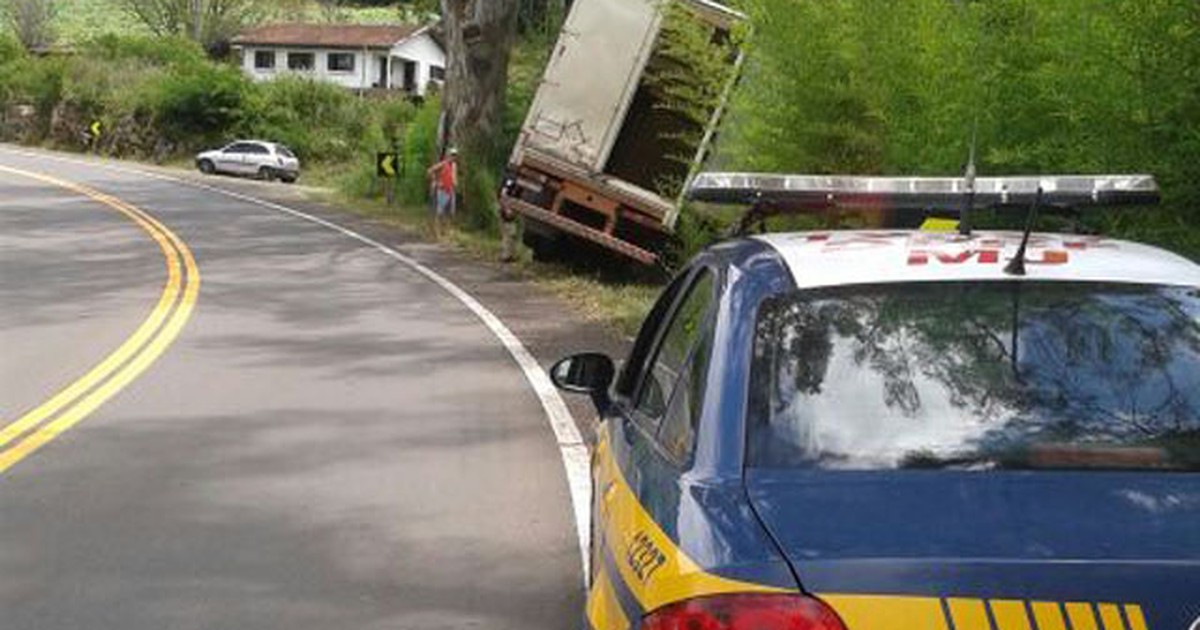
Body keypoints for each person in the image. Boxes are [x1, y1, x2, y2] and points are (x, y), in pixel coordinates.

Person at [426, 148, 458, 236]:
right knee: (440, 212)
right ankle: (437, 231)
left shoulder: (454, 165)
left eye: (454, 155)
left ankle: (446, 231)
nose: (453, 157)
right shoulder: (443, 164)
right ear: (448, 155)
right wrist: (436, 181)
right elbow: (430, 170)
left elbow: (454, 178)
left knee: (450, 212)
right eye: (452, 155)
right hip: (442, 190)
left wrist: (455, 184)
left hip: (451, 190)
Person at [498, 174, 520, 263]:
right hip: (506, 210)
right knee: (508, 234)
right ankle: (505, 256)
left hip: (507, 209)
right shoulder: (510, 179)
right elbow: (504, 193)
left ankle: (509, 255)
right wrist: (506, 208)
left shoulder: (509, 178)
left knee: (511, 234)